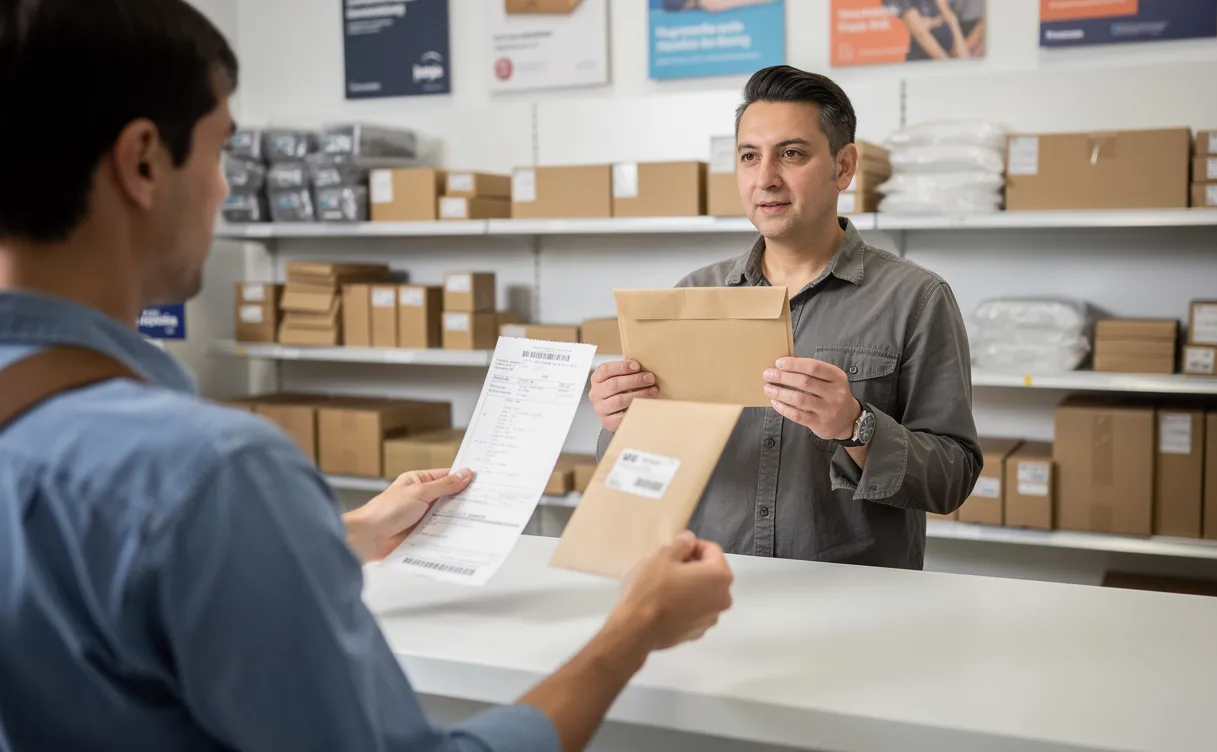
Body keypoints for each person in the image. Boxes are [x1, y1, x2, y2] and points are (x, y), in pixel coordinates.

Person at [0, 2, 733, 751]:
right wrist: (635, 629)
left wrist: (341, 532)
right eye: (220, 152)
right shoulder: (213, 475)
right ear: (144, 161)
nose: (224, 189)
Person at [589, 65, 982, 570]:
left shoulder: (917, 299)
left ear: (844, 167)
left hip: (853, 603)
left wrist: (856, 427)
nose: (766, 178)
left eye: (791, 154)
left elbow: (954, 479)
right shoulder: (693, 296)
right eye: (749, 157)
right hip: (714, 589)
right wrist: (622, 426)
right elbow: (641, 477)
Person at [884, 0, 972, 61]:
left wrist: (964, 60)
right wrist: (948, 67)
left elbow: (951, 19)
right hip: (922, 63)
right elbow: (920, 33)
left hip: (948, 57)